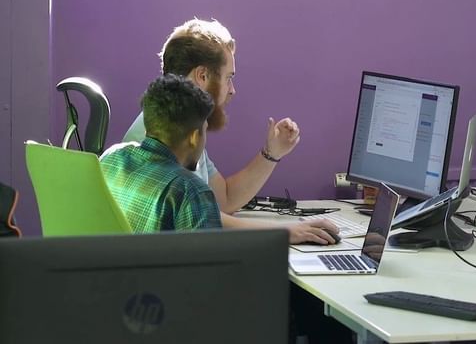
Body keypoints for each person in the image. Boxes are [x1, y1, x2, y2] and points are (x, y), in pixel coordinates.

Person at [123, 18, 338, 244]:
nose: (232, 90)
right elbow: (205, 218)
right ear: (202, 76)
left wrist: (272, 153)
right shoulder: (163, 133)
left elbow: (222, 200)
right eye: (228, 78)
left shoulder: (178, 123)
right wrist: (287, 232)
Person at [101, 74, 222, 231]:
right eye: (204, 130)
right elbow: (207, 248)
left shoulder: (111, 158)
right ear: (193, 137)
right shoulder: (192, 192)